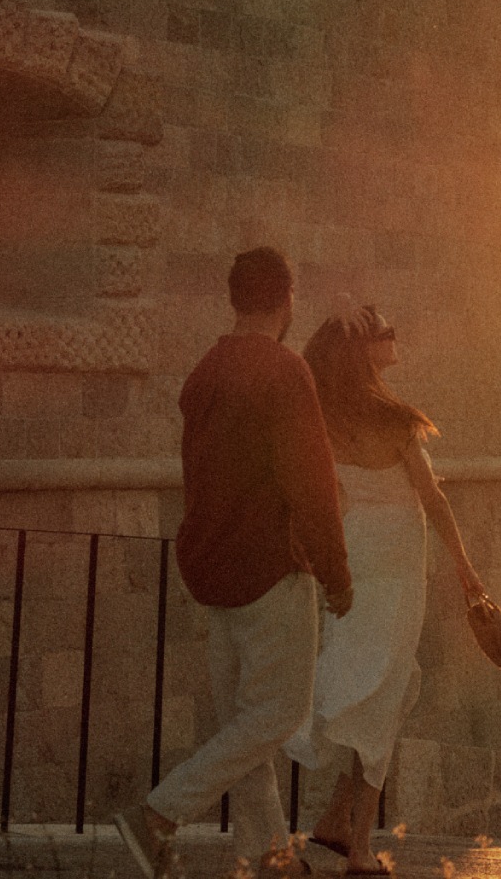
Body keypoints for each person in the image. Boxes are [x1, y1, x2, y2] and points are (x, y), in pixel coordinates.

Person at [114, 247, 354, 879]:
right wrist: (337, 574)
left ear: (234, 298)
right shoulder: (284, 371)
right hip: (270, 569)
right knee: (276, 717)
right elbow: (313, 485)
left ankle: (271, 859)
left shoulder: (205, 372)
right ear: (287, 298)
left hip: (212, 571)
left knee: (244, 728)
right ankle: (157, 816)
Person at [286, 302, 485, 875]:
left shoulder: (324, 420)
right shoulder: (396, 422)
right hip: (396, 570)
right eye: (384, 332)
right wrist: (466, 570)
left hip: (354, 561)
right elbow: (434, 501)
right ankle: (359, 848)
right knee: (387, 695)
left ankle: (334, 821)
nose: (395, 337)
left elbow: (326, 497)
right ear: (363, 351)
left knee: (378, 689)